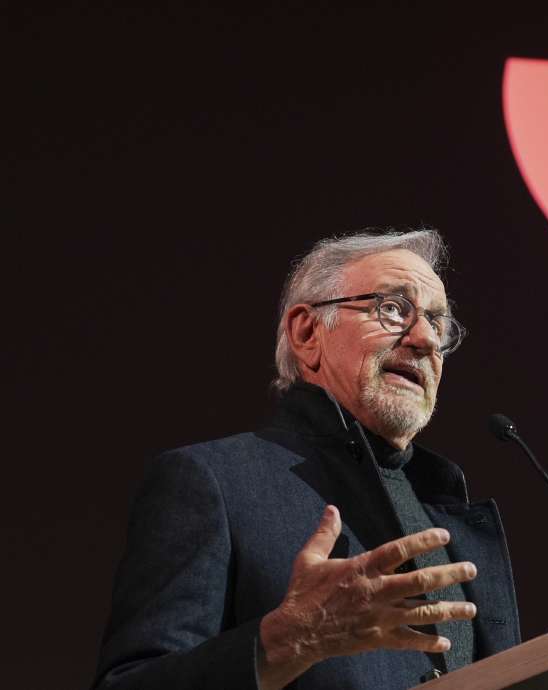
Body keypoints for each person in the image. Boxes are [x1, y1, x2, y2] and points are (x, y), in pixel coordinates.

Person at [94, 229, 521, 689]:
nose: (425, 340)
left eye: (437, 323)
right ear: (307, 331)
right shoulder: (214, 481)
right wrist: (289, 639)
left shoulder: (449, 514)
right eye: (393, 309)